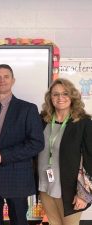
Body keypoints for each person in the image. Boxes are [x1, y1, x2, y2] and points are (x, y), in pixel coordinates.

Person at [0, 64, 44, 225]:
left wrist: (5, 156)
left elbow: (37, 143)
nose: (2, 80)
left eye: (6, 76)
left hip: (16, 177)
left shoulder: (28, 109)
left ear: (13, 80)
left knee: (19, 220)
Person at [38, 78, 92, 225]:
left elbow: (90, 159)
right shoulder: (43, 120)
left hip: (70, 190)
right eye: (55, 94)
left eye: (65, 93)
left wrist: (84, 194)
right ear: (50, 98)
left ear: (72, 96)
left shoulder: (83, 123)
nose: (60, 98)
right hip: (45, 186)